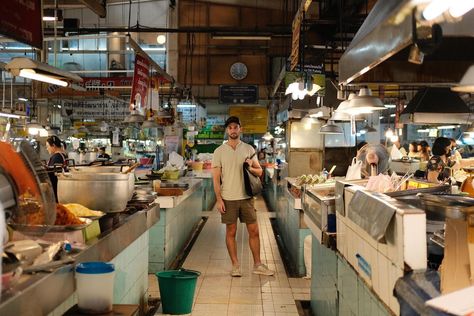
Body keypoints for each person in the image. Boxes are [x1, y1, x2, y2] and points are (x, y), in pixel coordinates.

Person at [212, 116, 274, 277]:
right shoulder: (219, 151)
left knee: (254, 231)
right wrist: (219, 199)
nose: (233, 130)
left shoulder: (248, 149)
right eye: (230, 127)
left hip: (246, 197)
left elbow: (260, 171)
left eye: (236, 127)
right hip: (228, 198)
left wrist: (250, 167)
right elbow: (216, 178)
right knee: (231, 232)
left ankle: (258, 265)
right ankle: (235, 265)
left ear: (241, 129)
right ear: (227, 130)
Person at [46, 136, 67, 201]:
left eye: (47, 146)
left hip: (55, 190)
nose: (47, 149)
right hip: (59, 189)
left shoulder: (56, 157)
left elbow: (52, 174)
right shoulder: (62, 155)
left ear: (53, 145)